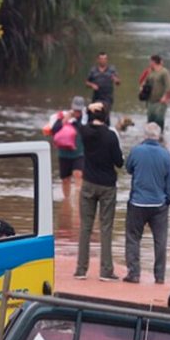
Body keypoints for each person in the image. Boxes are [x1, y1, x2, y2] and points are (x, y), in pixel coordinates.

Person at [74, 102, 124, 281]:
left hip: (88, 183)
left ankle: (81, 270)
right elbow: (119, 162)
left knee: (85, 227)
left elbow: (80, 121)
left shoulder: (85, 132)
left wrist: (89, 109)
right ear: (105, 116)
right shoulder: (111, 136)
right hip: (107, 185)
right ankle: (106, 271)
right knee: (106, 228)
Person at [123, 122, 170, 284]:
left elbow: (128, 168)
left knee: (133, 238)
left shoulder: (137, 151)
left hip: (137, 202)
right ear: (159, 136)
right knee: (160, 240)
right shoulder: (166, 154)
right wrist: (168, 199)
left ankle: (134, 273)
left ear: (144, 136)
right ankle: (159, 276)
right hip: (159, 204)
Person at [49, 96, 86, 202]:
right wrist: (65, 120)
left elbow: (84, 131)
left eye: (79, 110)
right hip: (64, 154)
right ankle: (67, 200)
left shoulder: (84, 119)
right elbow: (54, 130)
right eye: (75, 110)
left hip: (79, 153)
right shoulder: (62, 116)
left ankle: (79, 200)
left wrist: (76, 122)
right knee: (65, 179)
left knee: (78, 174)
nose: (77, 112)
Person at [140, 55, 170, 132]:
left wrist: (165, 97)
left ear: (153, 62)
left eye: (150, 61)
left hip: (160, 102)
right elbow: (144, 82)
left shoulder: (164, 72)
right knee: (150, 121)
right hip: (150, 101)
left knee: (159, 121)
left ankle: (160, 137)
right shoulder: (150, 72)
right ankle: (150, 138)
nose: (149, 63)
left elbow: (169, 86)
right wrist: (142, 88)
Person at [85, 52, 120, 123]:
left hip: (107, 98)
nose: (103, 60)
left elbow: (118, 82)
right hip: (96, 97)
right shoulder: (93, 70)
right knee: (93, 112)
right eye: (101, 59)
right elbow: (86, 82)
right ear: (98, 60)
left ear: (107, 60)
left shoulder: (112, 70)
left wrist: (115, 80)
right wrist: (92, 85)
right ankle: (91, 127)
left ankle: (106, 128)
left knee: (105, 113)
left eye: (104, 59)